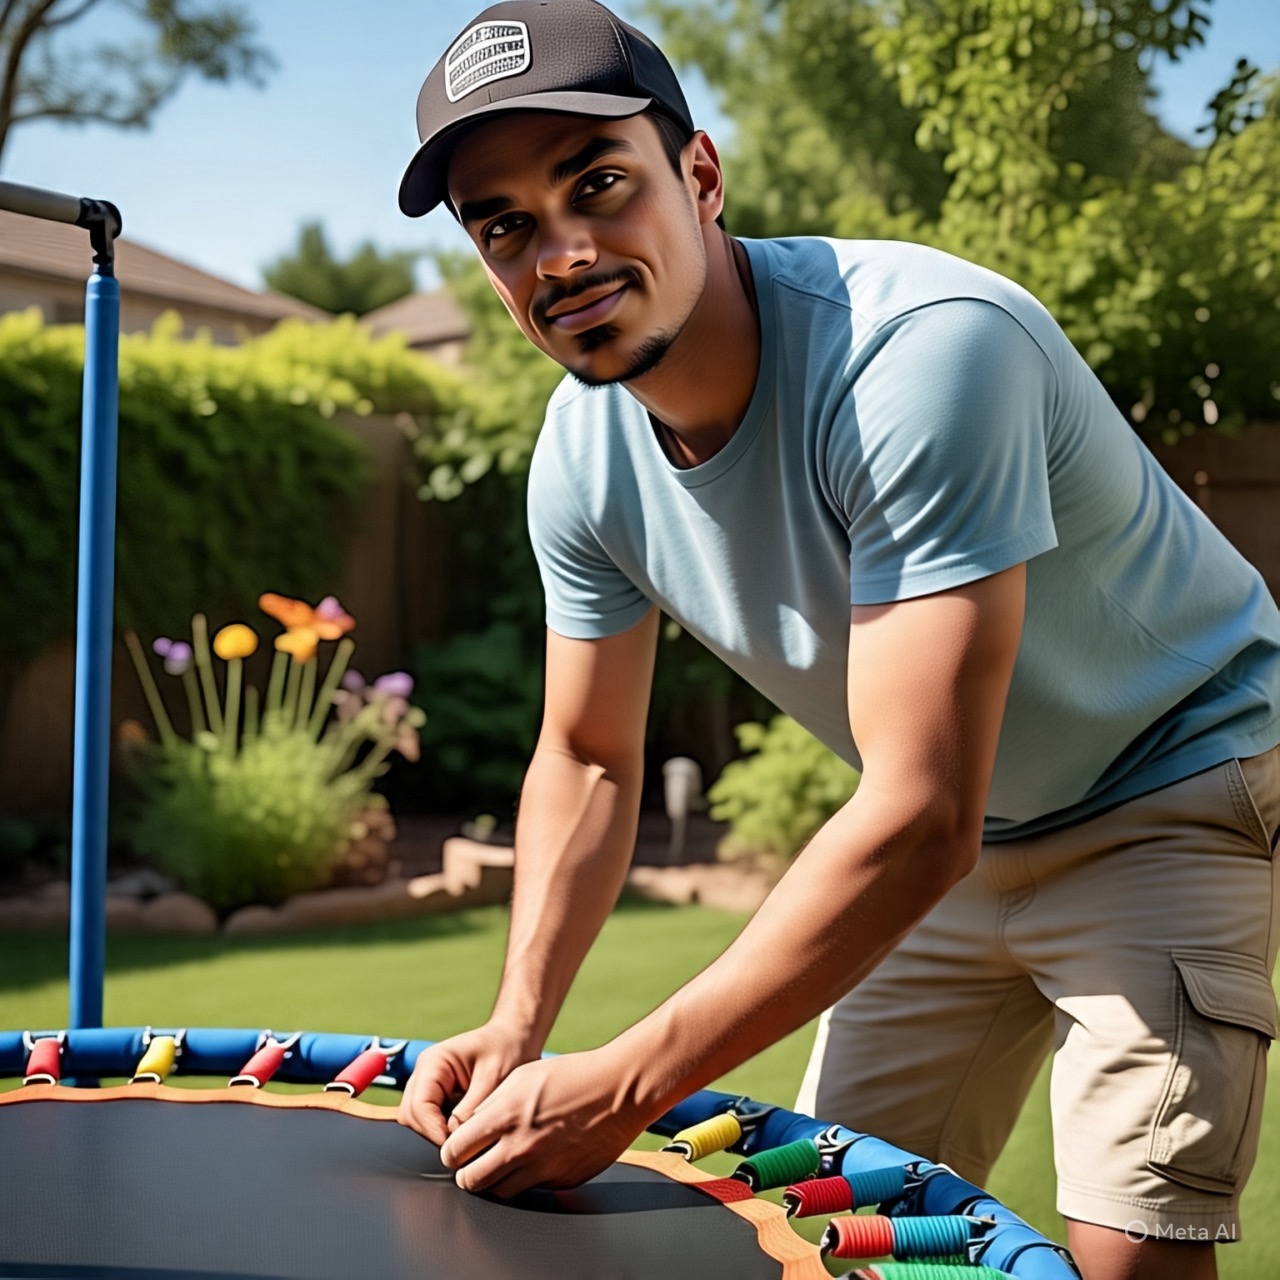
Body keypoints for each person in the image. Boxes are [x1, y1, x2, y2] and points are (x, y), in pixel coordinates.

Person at [393, 3, 1280, 1276]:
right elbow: (587, 756)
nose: (563, 252)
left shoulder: (919, 354)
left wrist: (627, 1080)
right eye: (508, 224)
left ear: (699, 175)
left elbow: (921, 808)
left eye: (598, 182)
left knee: (1123, 1251)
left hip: (1166, 781)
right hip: (952, 850)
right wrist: (519, 1022)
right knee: (842, 1239)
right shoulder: (579, 460)